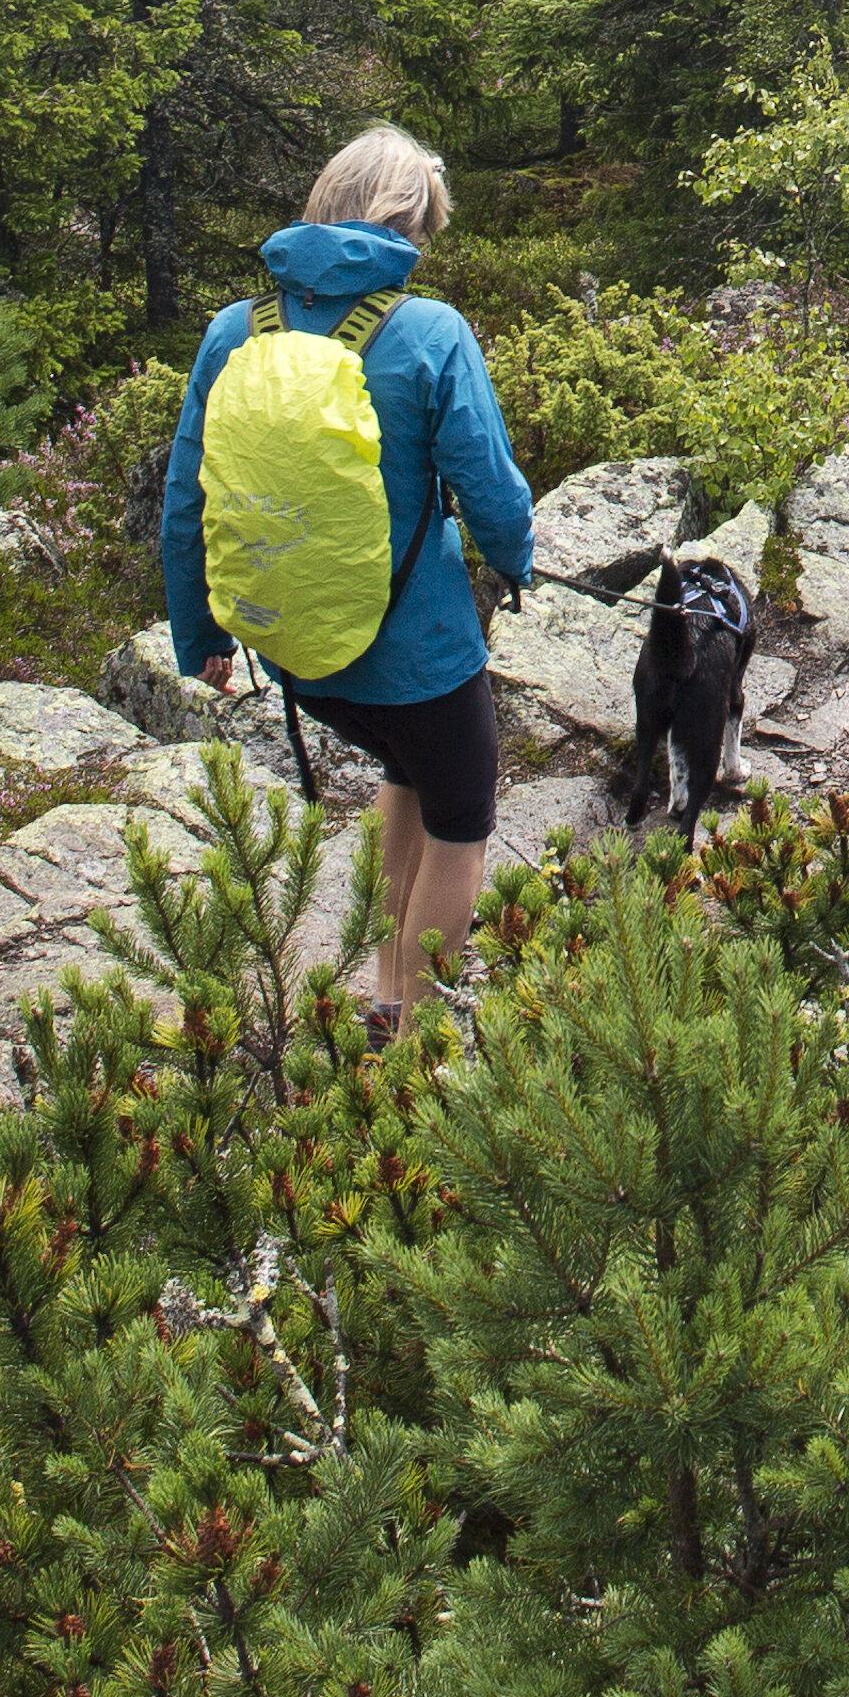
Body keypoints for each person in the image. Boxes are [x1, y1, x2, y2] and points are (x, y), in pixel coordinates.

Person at [162, 125, 540, 1039]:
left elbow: (187, 499)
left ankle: (385, 993)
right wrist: (517, 561)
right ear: (411, 224)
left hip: (298, 651)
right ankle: (414, 1040)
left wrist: (201, 636)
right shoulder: (428, 332)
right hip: (421, 656)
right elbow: (489, 488)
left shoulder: (232, 331)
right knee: (462, 816)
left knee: (402, 775)